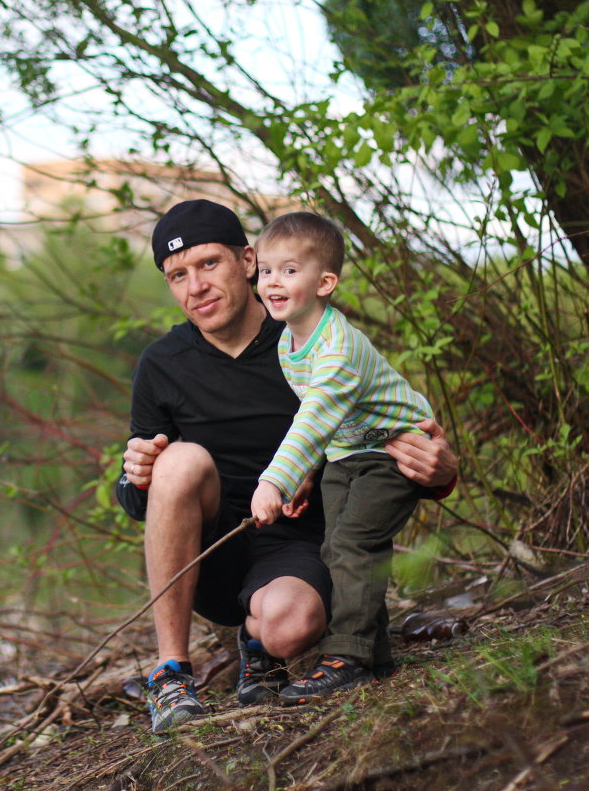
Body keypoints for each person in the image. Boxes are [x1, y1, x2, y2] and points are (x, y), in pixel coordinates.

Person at [116, 199, 457, 733]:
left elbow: (379, 431)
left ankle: (260, 644)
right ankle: (171, 674)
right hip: (213, 549)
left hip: (298, 544)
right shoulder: (162, 364)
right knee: (179, 461)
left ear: (248, 260)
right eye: (177, 276)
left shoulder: (305, 337)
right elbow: (141, 503)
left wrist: (440, 472)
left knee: (289, 625)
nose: (195, 287)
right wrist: (135, 474)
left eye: (209, 264)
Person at [249, 210, 436, 705]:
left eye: (290, 270)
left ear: (325, 281)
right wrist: (309, 475)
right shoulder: (290, 343)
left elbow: (312, 418)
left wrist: (277, 482)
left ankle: (346, 658)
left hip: (393, 450)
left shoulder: (337, 348)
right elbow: (327, 423)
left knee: (354, 543)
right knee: (335, 548)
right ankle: (374, 655)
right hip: (348, 452)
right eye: (266, 270)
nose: (273, 281)